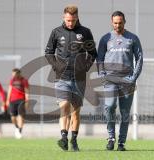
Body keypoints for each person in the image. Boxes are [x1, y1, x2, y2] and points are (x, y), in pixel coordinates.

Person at [45, 5, 97, 151]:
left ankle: (73, 140)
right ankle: (63, 138)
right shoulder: (56, 32)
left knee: (75, 112)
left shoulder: (85, 32)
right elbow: (49, 52)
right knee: (64, 106)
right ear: (64, 17)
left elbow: (92, 53)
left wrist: (85, 67)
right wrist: (56, 66)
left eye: (73, 20)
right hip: (61, 77)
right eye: (68, 20)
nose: (70, 23)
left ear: (77, 17)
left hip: (79, 78)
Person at [97, 11, 143, 151]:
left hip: (127, 80)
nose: (118, 25)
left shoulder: (133, 38)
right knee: (110, 106)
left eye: (120, 22)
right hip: (110, 79)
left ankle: (121, 143)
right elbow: (99, 58)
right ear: (112, 22)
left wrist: (133, 77)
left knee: (124, 112)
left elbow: (139, 58)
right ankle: (111, 138)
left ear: (125, 22)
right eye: (115, 23)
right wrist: (102, 74)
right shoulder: (105, 38)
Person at [6, 68, 29, 139]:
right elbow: (9, 90)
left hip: (21, 100)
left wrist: (27, 101)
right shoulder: (12, 80)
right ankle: (16, 127)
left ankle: (19, 131)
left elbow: (26, 91)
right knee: (13, 117)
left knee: (21, 117)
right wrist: (7, 100)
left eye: (15, 74)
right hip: (13, 100)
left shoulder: (24, 81)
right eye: (12, 74)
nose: (13, 76)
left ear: (19, 74)